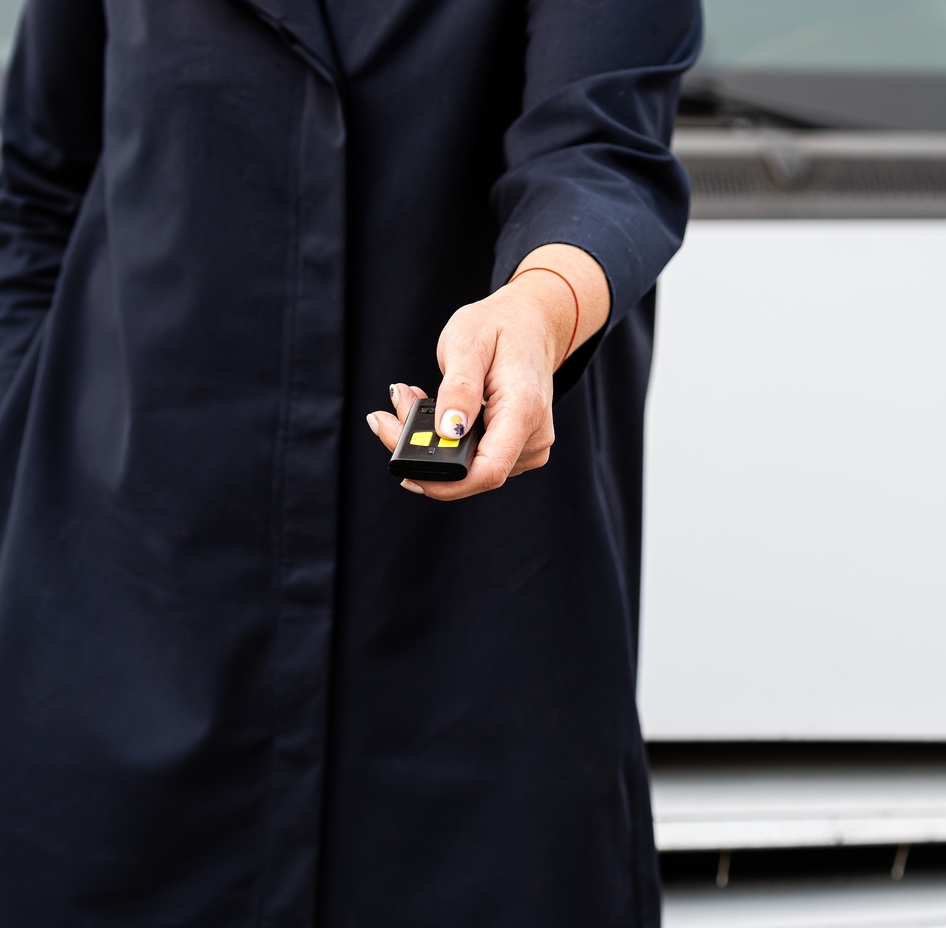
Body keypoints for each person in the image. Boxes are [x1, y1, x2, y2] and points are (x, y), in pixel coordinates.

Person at [0, 0, 700, 924]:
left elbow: (601, 147)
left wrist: (541, 303)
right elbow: (37, 181)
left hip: (475, 633)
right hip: (118, 610)